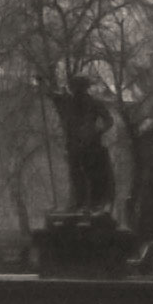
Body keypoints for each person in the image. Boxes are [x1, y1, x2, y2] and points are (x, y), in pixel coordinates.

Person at [51, 75, 115, 213]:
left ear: (84, 88)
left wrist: (97, 131)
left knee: (90, 173)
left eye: (78, 88)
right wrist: (42, 84)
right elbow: (54, 95)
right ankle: (80, 203)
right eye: (74, 88)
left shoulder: (94, 103)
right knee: (76, 173)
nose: (75, 91)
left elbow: (109, 120)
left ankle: (91, 203)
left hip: (90, 143)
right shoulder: (68, 102)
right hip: (74, 143)